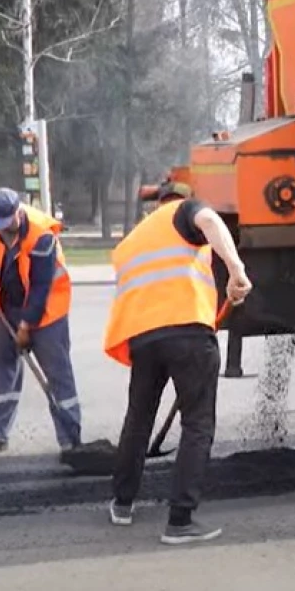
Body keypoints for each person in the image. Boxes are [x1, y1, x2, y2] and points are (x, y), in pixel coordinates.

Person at [104, 180, 251, 546]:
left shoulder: (131, 241)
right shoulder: (185, 212)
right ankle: (180, 521)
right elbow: (212, 223)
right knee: (198, 424)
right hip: (187, 333)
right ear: (181, 200)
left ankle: (122, 504)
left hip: (144, 338)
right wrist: (236, 269)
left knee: (138, 419)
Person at [0, 187, 81, 458]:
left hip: (47, 312)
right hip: (5, 306)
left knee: (57, 375)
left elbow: (39, 289)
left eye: (6, 224)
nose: (1, 230)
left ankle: (71, 440)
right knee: (1, 367)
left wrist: (26, 328)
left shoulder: (41, 236)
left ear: (18, 212)